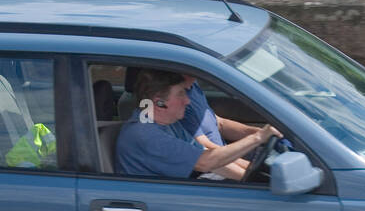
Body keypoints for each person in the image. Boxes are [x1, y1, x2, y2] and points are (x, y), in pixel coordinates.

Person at [115, 69, 281, 179]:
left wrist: (257, 174)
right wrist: (258, 137)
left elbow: (211, 159)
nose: (187, 101)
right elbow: (205, 162)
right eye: (181, 94)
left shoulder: (168, 123)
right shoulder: (145, 135)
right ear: (159, 103)